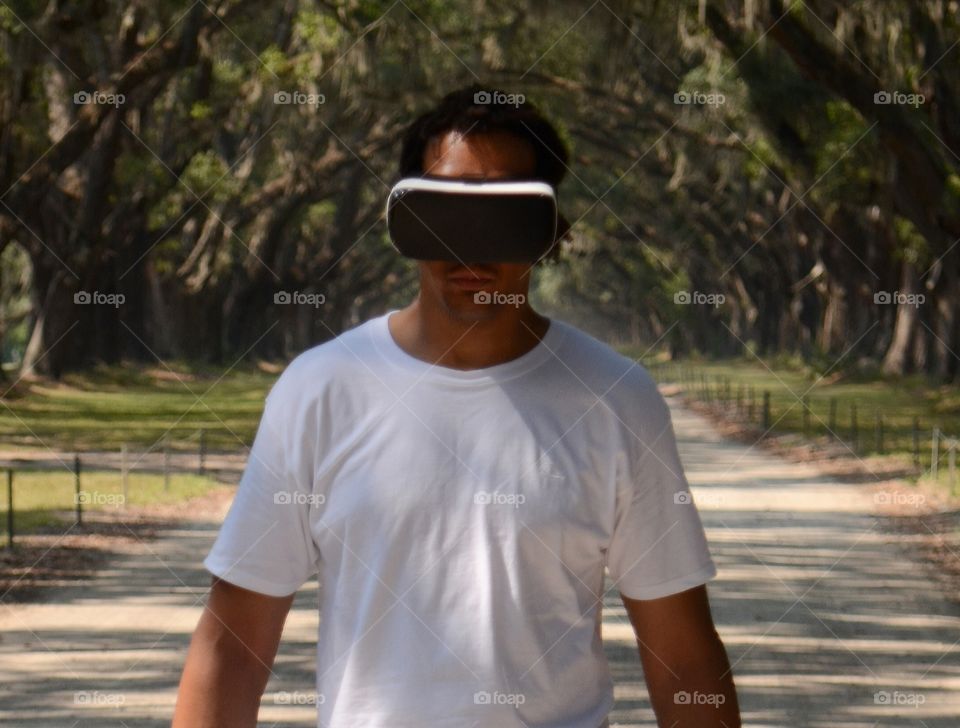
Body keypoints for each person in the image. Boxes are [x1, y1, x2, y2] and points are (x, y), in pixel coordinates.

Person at [171, 84, 741, 728]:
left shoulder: (616, 400)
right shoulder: (322, 390)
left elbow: (684, 657)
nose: (471, 247)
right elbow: (232, 647)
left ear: (550, 229)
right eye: (446, 210)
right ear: (406, 220)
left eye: (503, 210)